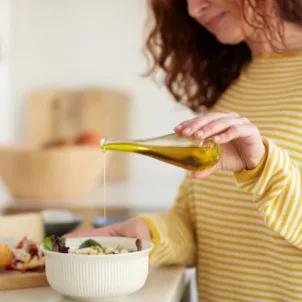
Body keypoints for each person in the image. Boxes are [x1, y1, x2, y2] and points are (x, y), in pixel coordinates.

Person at [66, 0, 302, 301]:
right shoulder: (239, 87)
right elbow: (202, 227)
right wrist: (144, 235)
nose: (193, 9)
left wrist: (263, 166)